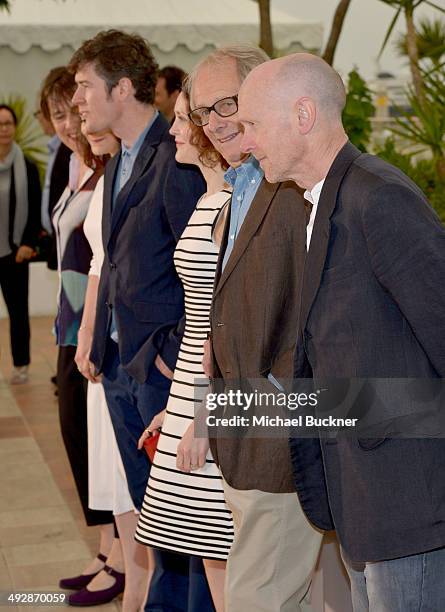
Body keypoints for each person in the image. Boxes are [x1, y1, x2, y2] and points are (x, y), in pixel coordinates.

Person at [237, 52, 445, 612]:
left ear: (303, 115)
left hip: (411, 503)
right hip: (363, 496)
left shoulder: (378, 196)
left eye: (253, 122)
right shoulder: (319, 201)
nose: (243, 138)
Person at [69, 29, 215, 612]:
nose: (77, 100)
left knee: (184, 522)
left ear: (122, 88)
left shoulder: (174, 156)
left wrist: (172, 361)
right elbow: (114, 262)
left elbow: (201, 270)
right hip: (122, 365)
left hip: (160, 370)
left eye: (84, 87)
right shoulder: (118, 158)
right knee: (153, 515)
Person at [188, 45, 323, 612]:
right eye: (202, 112)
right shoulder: (237, 188)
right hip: (238, 433)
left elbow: (315, 316)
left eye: (227, 104)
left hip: (279, 437)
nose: (215, 122)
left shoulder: (295, 191)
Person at [135, 85, 233, 612]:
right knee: (211, 556)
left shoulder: (232, 205)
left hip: (213, 400)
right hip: (190, 393)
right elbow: (199, 322)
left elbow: (226, 324)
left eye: (180, 120)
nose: (173, 130)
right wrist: (172, 408)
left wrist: (202, 415)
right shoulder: (208, 200)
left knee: (224, 556)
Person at [46, 67, 120, 598]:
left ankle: (119, 560)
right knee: (79, 440)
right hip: (71, 322)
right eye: (57, 114)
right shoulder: (74, 167)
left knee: (97, 443)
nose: (69, 122)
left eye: (73, 109)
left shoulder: (108, 170)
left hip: (89, 327)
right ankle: (106, 551)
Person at [73, 127, 148, 609]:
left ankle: (130, 574)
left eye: (83, 93)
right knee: (115, 475)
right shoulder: (109, 172)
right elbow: (101, 262)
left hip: (135, 352)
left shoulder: (152, 166)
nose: (78, 115)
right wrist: (89, 333)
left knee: (136, 486)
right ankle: (123, 566)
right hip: (106, 342)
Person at [0, 104, 41, 384]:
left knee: (17, 312)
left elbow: (36, 207)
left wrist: (28, 243)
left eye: (7, 124)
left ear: (14, 128)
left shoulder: (25, 164)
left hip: (15, 252)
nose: (3, 129)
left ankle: (21, 364)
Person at [38, 67, 72, 271]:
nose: (70, 124)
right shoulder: (66, 152)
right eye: (58, 115)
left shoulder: (103, 161)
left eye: (76, 112)